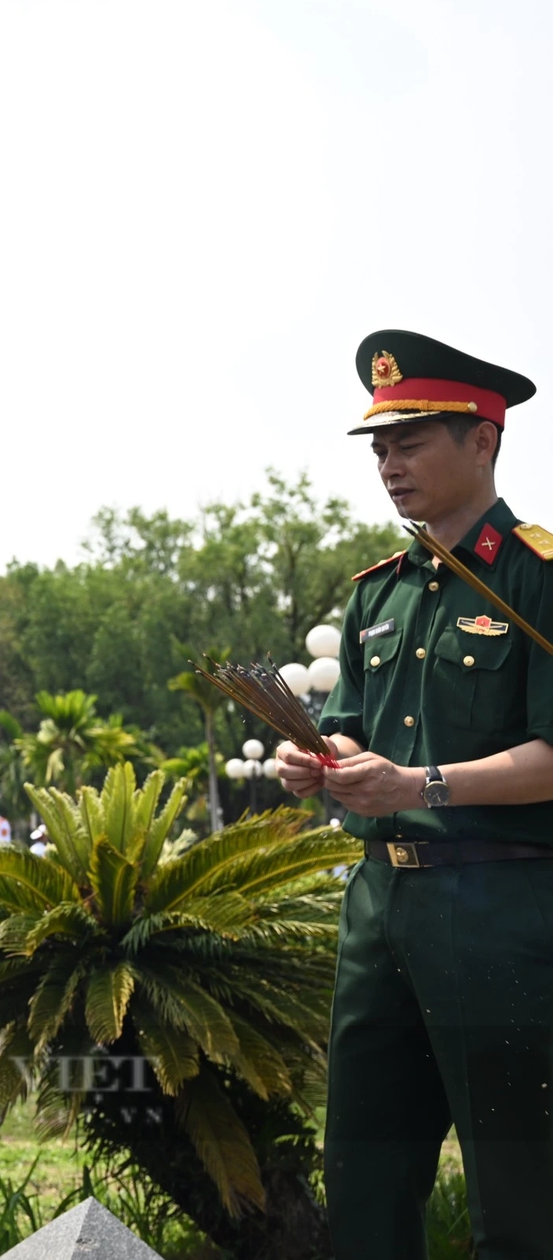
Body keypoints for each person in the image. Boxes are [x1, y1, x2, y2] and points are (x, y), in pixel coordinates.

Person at [271, 330, 553, 1257]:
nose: (390, 464)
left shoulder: (535, 578)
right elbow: (352, 723)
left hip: (503, 908)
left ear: (484, 439)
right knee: (364, 1177)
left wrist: (419, 782)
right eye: (381, 447)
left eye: (413, 440)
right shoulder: (377, 595)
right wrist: (323, 758)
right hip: (379, 906)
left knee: (518, 1192)